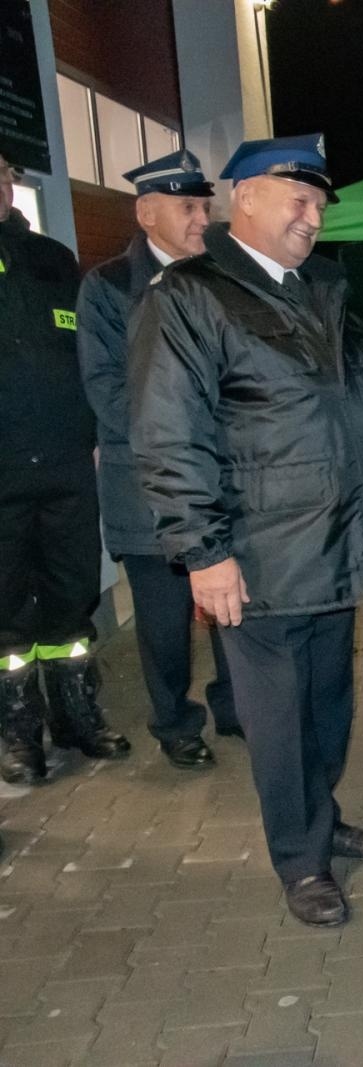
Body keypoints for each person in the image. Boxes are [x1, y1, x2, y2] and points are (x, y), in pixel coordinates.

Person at [128, 134, 363, 926]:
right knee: (278, 716)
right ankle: (301, 860)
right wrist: (204, 552)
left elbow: (358, 408)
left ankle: (320, 814)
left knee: (330, 704)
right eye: (297, 198)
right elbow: (168, 435)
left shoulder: (327, 289)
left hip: (338, 540)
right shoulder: (189, 297)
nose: (312, 215)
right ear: (243, 197)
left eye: (318, 204)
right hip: (260, 552)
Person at [77, 150, 241, 772]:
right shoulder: (109, 286)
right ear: (147, 214)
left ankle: (236, 708)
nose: (203, 218)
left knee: (231, 606)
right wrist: (185, 434)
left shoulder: (222, 274)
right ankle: (174, 723)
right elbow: (108, 392)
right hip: (147, 489)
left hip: (221, 481)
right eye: (188, 207)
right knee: (166, 622)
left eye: (205, 205)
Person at [1, 151, 131, 786]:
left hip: (67, 466)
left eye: (1, 175)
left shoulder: (52, 260)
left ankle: (78, 719)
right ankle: (18, 736)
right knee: (5, 615)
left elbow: (88, 355)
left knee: (71, 601)